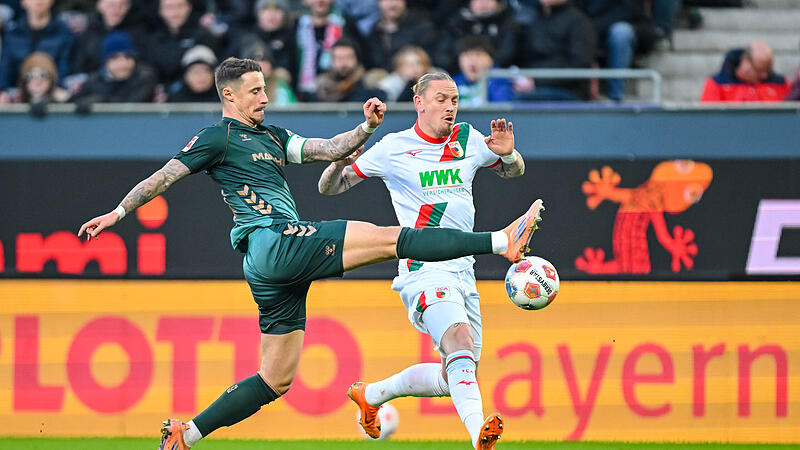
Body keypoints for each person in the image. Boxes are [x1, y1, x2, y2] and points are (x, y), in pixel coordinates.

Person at [77, 57, 543, 450]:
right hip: (275, 240)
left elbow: (329, 150)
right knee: (392, 238)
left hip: (272, 271)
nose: (264, 97)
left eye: (265, 89)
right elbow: (162, 177)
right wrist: (118, 213)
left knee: (275, 379)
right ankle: (502, 241)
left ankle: (188, 433)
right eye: (256, 91)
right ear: (229, 97)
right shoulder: (217, 137)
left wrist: (365, 126)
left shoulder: (274, 135)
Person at [317, 71, 541, 450]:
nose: (450, 107)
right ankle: (478, 437)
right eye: (441, 99)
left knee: (452, 374)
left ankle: (370, 396)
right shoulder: (392, 147)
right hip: (423, 268)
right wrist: (340, 162)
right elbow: (329, 188)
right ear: (419, 102)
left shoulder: (468, 138)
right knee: (459, 341)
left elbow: (512, 171)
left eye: (454, 100)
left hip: (463, 270)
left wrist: (510, 154)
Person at [517, 0, 595, 101]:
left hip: (567, 90)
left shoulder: (579, 22)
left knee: (513, 100)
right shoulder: (534, 20)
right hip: (531, 85)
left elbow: (580, 65)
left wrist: (536, 81)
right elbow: (522, 57)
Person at [0, 0, 75, 91]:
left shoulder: (65, 35)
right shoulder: (12, 35)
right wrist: (3, 91)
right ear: (23, 2)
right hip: (17, 96)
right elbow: (4, 71)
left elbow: (65, 70)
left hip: (53, 96)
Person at [71, 30, 157, 103]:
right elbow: (70, 103)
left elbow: (132, 105)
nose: (123, 63)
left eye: (128, 57)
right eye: (115, 58)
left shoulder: (144, 77)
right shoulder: (95, 81)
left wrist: (103, 100)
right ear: (106, 62)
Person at [700, 41, 791, 103]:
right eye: (760, 70)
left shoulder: (782, 84)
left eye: (768, 69)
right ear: (745, 61)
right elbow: (709, 121)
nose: (765, 75)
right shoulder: (716, 84)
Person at [363, 0, 436, 71]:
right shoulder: (376, 30)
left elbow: (430, 57)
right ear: (379, 3)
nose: (393, 4)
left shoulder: (421, 24)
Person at [313, 37, 386, 102]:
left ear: (357, 59)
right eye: (339, 58)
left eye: (348, 57)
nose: (344, 63)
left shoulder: (369, 88)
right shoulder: (321, 90)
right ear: (332, 61)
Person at [452, 35, 512, 106]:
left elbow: (500, 111)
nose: (472, 60)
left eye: (478, 55)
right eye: (467, 55)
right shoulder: (452, 84)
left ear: (490, 60)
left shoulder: (501, 83)